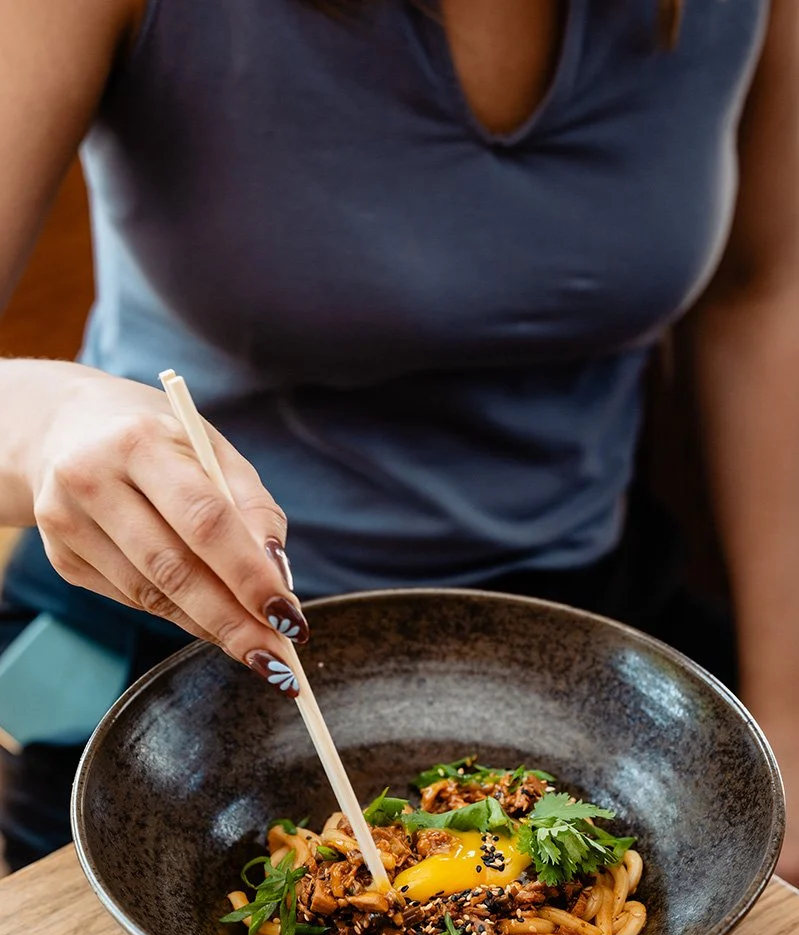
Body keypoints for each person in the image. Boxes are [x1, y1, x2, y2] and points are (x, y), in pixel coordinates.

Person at [0, 0, 796, 883]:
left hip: (587, 634)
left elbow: (764, 294)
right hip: (173, 638)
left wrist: (789, 717)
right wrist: (46, 420)